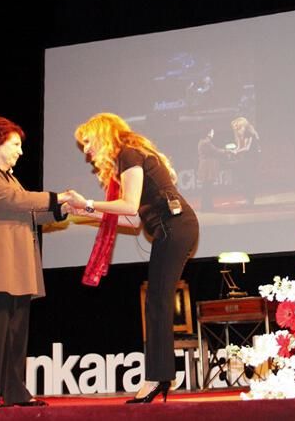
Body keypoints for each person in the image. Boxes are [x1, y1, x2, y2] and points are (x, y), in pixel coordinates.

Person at [68, 113, 199, 404]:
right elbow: (131, 219)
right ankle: (161, 376)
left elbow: (128, 206)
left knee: (157, 302)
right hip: (173, 228)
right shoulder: (128, 158)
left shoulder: (128, 154)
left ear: (103, 135)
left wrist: (87, 202)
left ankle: (158, 378)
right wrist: (85, 211)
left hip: (175, 227)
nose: (87, 150)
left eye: (88, 142)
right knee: (156, 301)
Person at [0, 116, 75, 409]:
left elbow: (28, 211)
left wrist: (62, 210)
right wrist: (56, 197)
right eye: (15, 144)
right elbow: (16, 201)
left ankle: (15, 392)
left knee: (15, 333)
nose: (20, 151)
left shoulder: (9, 179)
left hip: (18, 263)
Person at [229, 116, 261, 205]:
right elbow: (240, 147)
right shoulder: (240, 135)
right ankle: (247, 198)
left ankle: (250, 199)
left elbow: (247, 148)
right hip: (245, 159)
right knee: (245, 178)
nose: (236, 130)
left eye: (237, 127)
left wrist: (236, 152)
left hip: (252, 159)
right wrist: (234, 151)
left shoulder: (249, 133)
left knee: (249, 178)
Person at [197, 128, 227, 211]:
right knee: (207, 187)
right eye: (212, 132)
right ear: (208, 133)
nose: (213, 133)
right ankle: (206, 207)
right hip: (207, 167)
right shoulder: (206, 142)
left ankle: (207, 206)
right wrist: (226, 151)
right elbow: (215, 151)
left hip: (206, 166)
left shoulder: (203, 142)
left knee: (206, 187)